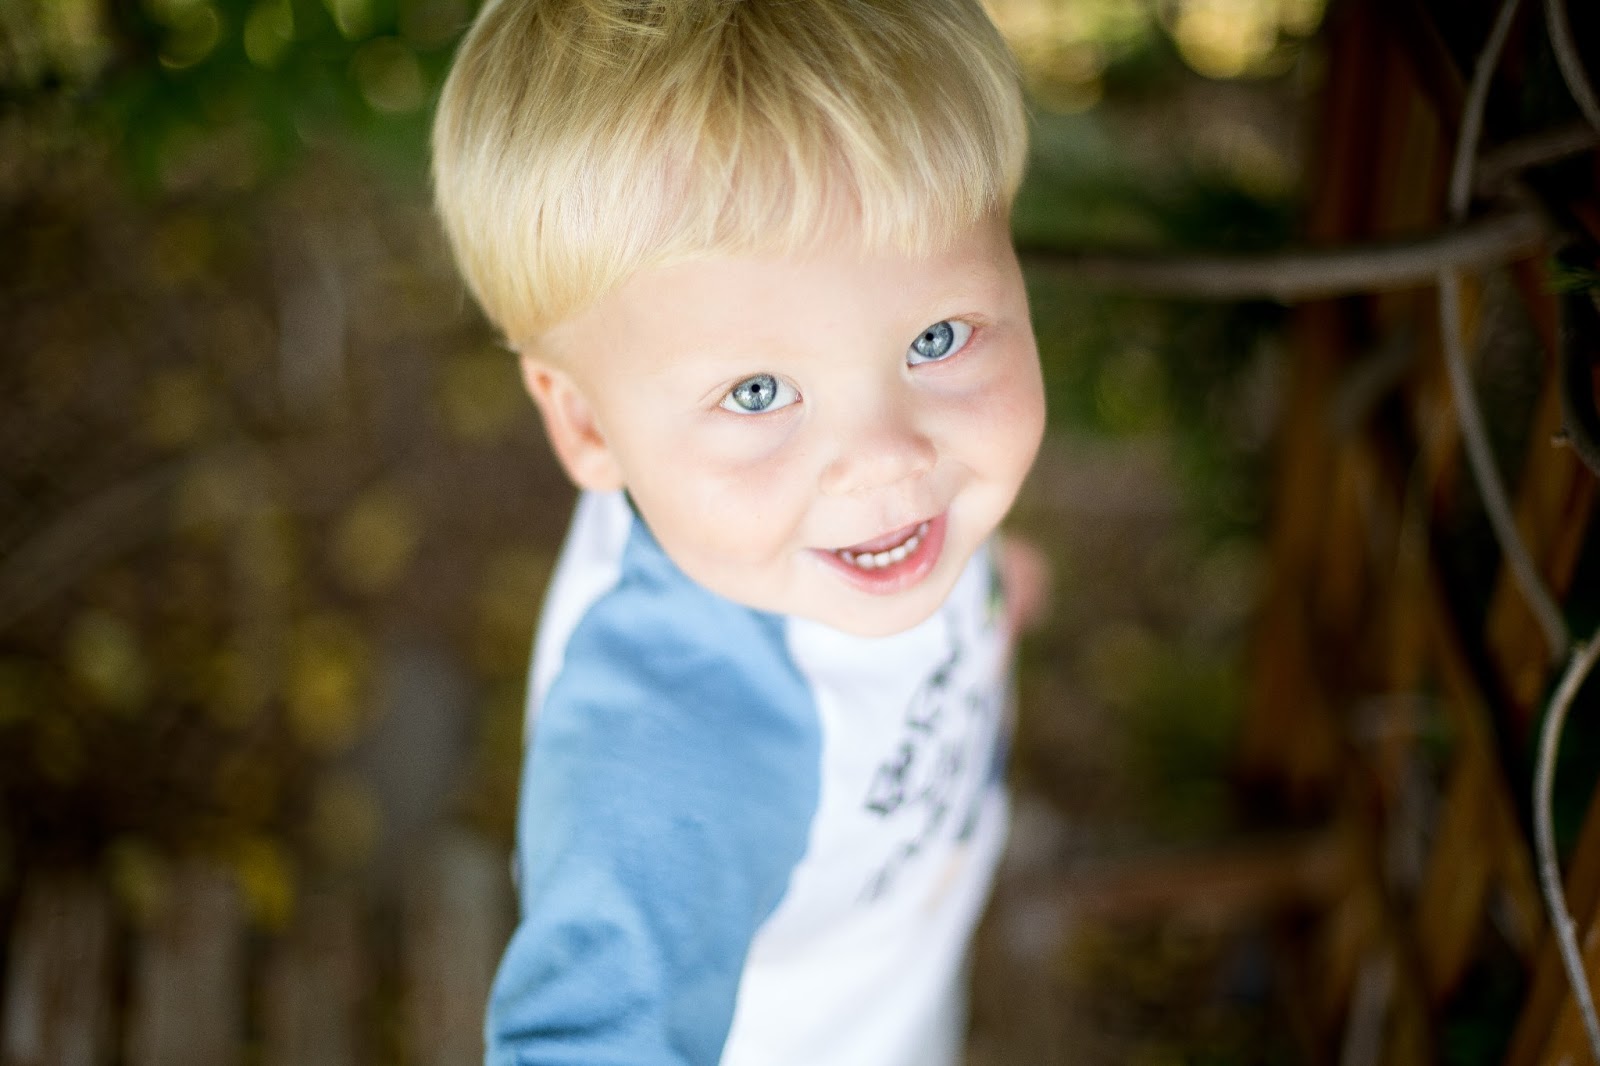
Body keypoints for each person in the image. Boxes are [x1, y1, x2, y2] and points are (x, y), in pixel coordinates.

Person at [431, 1, 1047, 1063]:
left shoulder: (845, 531)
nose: (889, 459)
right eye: (759, 393)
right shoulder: (675, 744)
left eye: (939, 338)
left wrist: (986, 591)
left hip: (895, 979)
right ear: (587, 424)